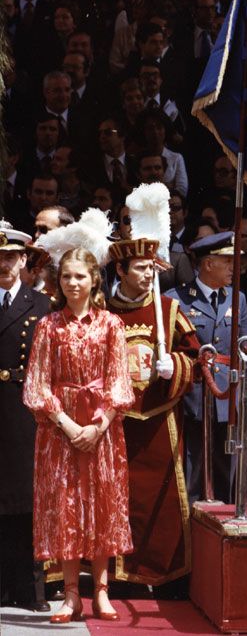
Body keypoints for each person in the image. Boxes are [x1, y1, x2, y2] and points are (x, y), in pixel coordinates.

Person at [23, 247, 134, 623]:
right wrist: (69, 425)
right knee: (68, 506)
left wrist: (98, 424)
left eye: (80, 276)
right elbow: (36, 385)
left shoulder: (111, 325)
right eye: (67, 276)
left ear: (93, 279)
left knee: (101, 504)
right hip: (60, 430)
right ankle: (71, 596)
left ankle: (101, 592)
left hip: (102, 428)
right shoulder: (48, 325)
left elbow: (121, 381)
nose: (73, 283)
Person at [106, 237, 198, 590]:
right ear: (120, 270)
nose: (148, 274)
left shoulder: (169, 310)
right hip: (115, 421)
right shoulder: (103, 311)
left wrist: (172, 366)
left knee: (162, 501)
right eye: (141, 268)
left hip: (159, 418)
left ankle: (165, 575)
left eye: (151, 268)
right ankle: (117, 576)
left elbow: (194, 358)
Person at [166, 232, 247, 504]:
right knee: (191, 472)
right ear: (208, 264)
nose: (233, 268)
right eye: (227, 261)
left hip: (228, 396)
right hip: (192, 399)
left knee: (228, 472)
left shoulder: (238, 299)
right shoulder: (175, 300)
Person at [0, 222, 52, 613]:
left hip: (23, 407)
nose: (4, 264)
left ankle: (30, 588)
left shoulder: (41, 305)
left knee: (26, 500)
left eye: (11, 257)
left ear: (23, 261)